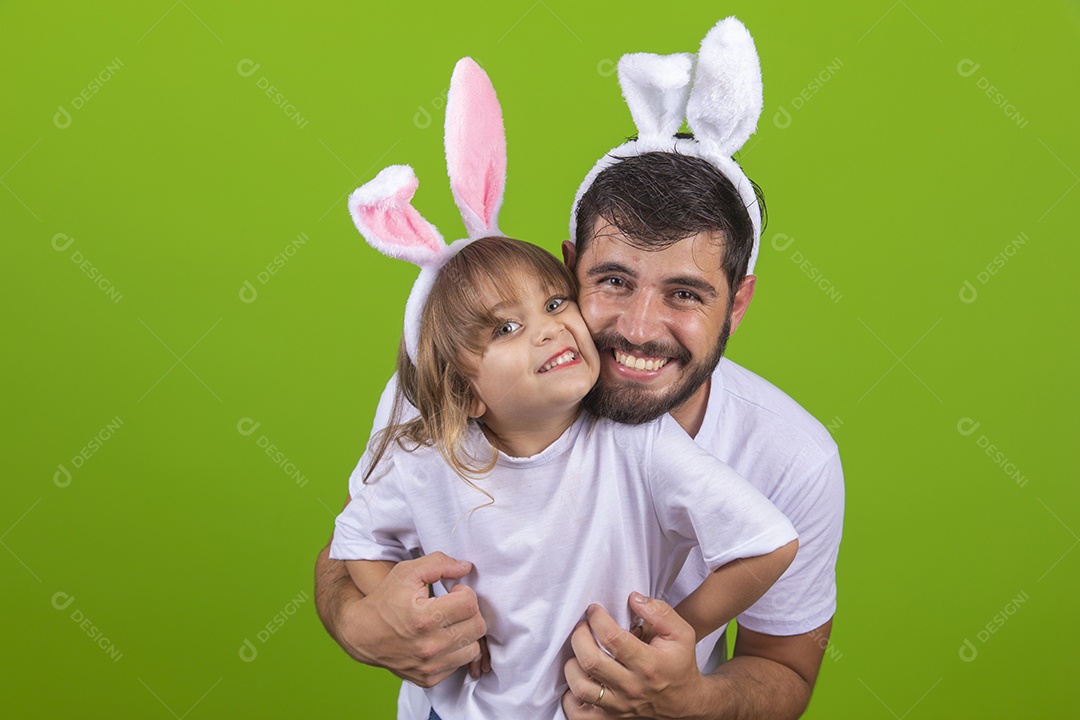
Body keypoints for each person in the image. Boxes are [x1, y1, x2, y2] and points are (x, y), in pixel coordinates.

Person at [315, 17, 844, 719]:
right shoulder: (454, 373)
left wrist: (687, 694)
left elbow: (784, 667)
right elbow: (358, 531)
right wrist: (359, 622)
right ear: (570, 267)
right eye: (614, 281)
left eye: (685, 294)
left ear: (737, 303)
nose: (639, 330)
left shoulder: (791, 456)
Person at [332, 233, 798, 720]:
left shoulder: (639, 443)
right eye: (506, 328)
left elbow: (768, 544)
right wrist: (419, 620)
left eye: (555, 303)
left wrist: (661, 636)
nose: (549, 330)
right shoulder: (425, 458)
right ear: (464, 394)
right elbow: (358, 539)